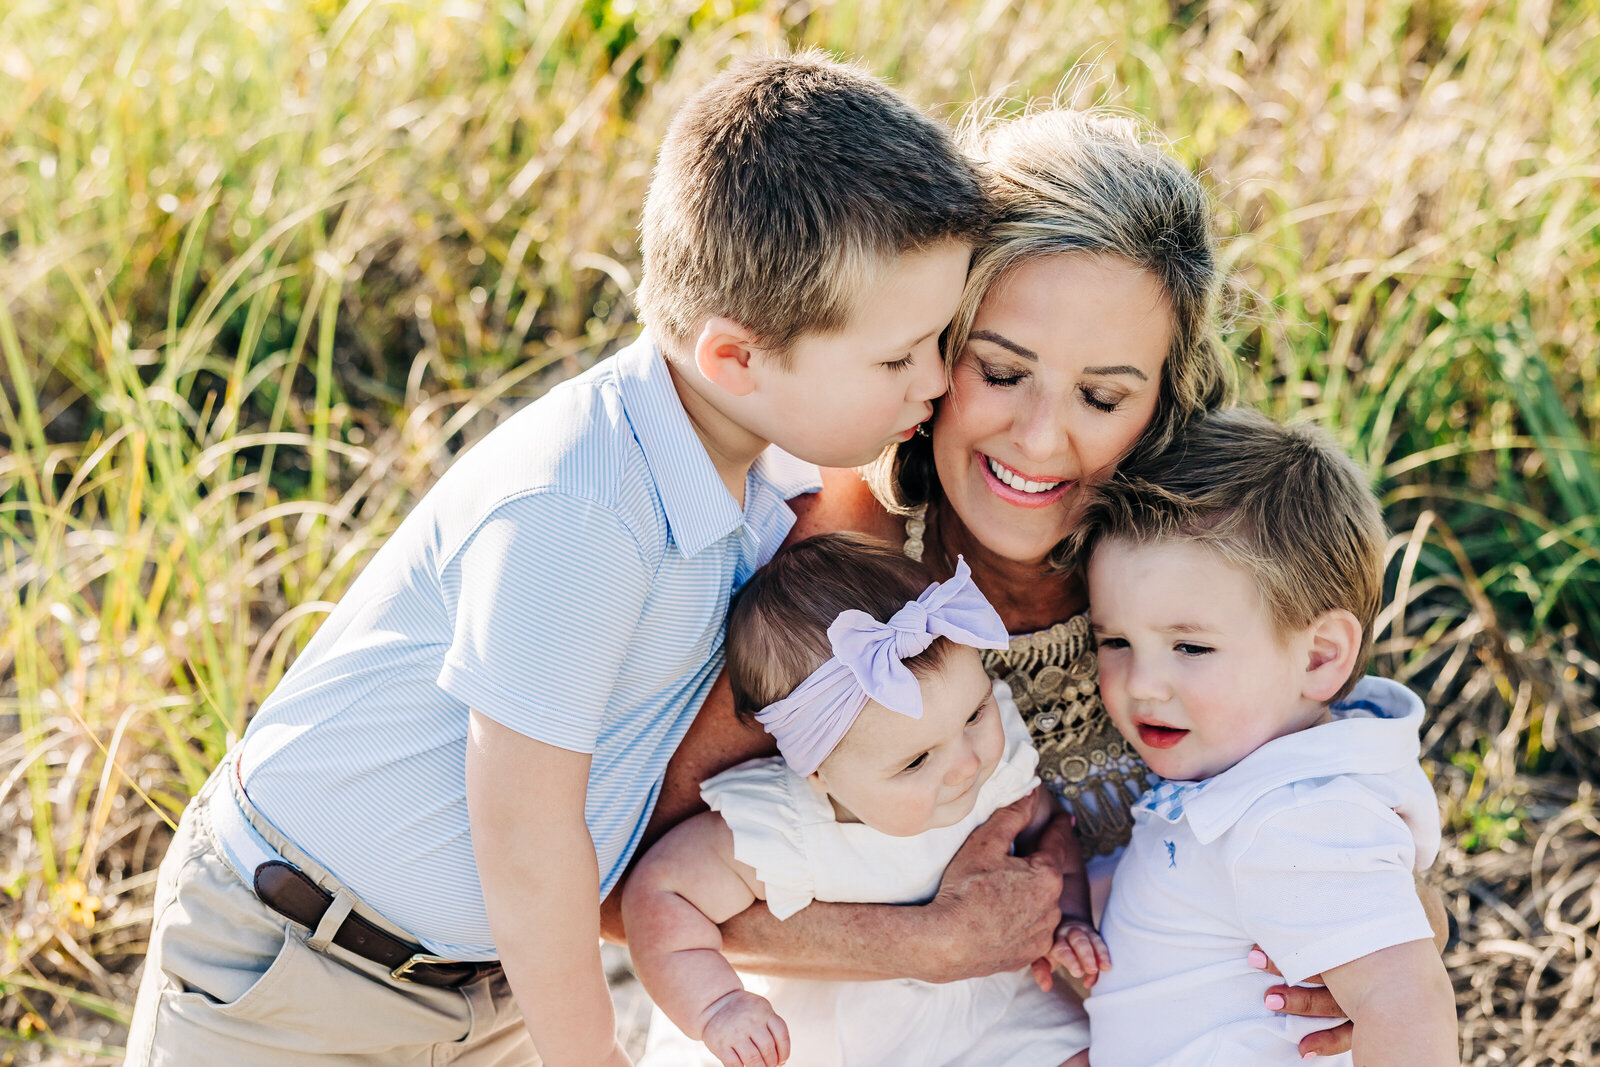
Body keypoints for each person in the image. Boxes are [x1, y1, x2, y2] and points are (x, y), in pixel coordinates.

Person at [124, 52, 990, 1067]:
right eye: (900, 356)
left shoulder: (757, 467)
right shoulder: (583, 508)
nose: (937, 377)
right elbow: (526, 836)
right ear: (734, 358)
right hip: (290, 972)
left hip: (479, 983)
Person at [608, 105, 1447, 1061]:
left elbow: (1324, 768)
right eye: (1000, 371)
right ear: (931, 347)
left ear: (1167, 394)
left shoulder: (1198, 567)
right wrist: (929, 940)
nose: (1042, 440)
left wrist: (1399, 915)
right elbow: (626, 887)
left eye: (1103, 396)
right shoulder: (851, 574)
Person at [1069, 406, 1457, 1067]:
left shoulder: (1298, 811)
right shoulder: (1241, 780)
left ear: (1318, 657)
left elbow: (1405, 997)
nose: (1142, 684)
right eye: (1116, 641)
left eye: (1191, 646)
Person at [623, 534, 1104, 1067]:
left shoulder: (990, 761)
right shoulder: (786, 831)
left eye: (974, 715)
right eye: (916, 762)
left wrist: (1070, 918)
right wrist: (718, 1006)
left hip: (992, 1006)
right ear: (820, 774)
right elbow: (660, 893)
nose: (967, 764)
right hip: (839, 1040)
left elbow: (1045, 826)